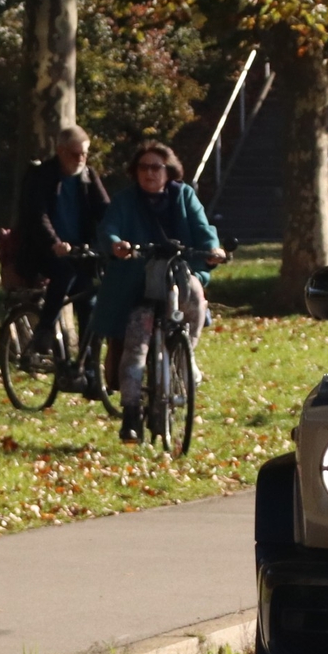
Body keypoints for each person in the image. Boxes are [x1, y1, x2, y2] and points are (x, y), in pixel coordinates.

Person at [93, 139, 226, 441]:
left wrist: (212, 251)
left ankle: (185, 356)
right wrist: (117, 245)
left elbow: (204, 232)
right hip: (136, 287)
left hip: (178, 279)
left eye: (156, 167)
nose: (149, 173)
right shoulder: (126, 200)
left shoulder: (185, 196)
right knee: (136, 346)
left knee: (194, 290)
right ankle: (130, 416)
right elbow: (108, 229)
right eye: (143, 167)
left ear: (169, 171)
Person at [11, 127, 110, 394]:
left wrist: (117, 237)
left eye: (85, 154)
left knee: (89, 302)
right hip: (43, 251)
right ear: (60, 151)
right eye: (75, 154)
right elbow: (37, 214)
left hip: (79, 251)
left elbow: (105, 210)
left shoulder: (88, 176)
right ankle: (44, 330)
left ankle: (88, 372)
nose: (80, 159)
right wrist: (54, 242)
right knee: (64, 274)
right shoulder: (40, 175)